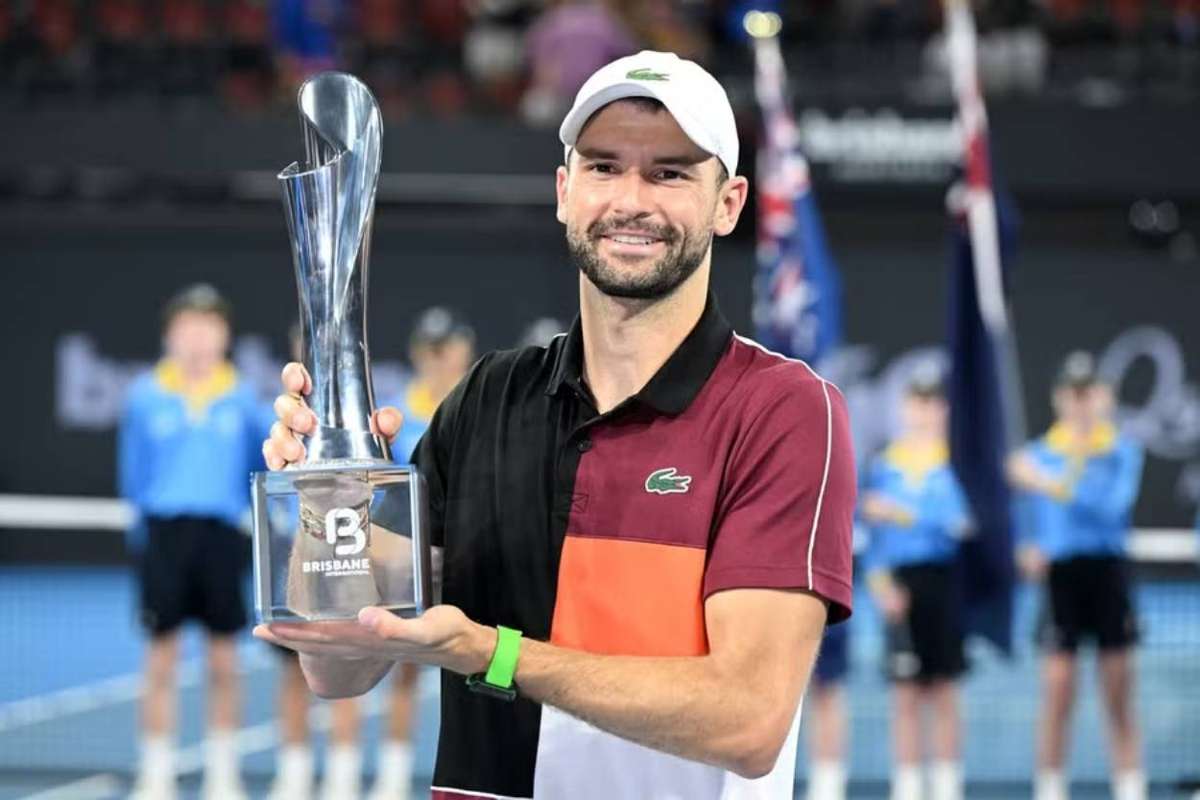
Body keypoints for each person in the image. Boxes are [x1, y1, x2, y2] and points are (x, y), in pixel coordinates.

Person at [260, 50, 856, 800]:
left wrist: (494, 654)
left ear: (729, 203)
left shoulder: (779, 410)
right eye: (604, 167)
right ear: (565, 190)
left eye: (669, 173)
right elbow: (338, 666)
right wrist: (326, 495)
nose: (631, 199)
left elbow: (748, 721)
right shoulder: (487, 398)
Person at [119, 284, 267, 800]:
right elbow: (133, 472)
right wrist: (140, 531)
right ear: (170, 334)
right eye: (189, 325)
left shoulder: (243, 397)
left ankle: (222, 773)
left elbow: (258, 468)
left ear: (224, 335)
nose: (199, 336)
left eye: (210, 326)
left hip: (221, 536)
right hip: (164, 535)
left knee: (224, 659)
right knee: (160, 658)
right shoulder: (144, 395)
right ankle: (156, 771)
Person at [1008, 351, 1146, 800]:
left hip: (1107, 574)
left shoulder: (1122, 450)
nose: (1080, 403)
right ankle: (1050, 789)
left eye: (1088, 394)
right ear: (1059, 399)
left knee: (1118, 694)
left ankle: (1130, 788)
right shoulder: (1036, 454)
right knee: (1057, 693)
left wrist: (1044, 482)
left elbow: (1111, 507)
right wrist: (1026, 545)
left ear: (1103, 398)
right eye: (1072, 394)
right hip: (1060, 579)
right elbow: (1023, 522)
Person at [368, 308, 477, 800]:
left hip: (474, 553)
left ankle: (484, 776)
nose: (439, 360)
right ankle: (393, 776)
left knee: (484, 666)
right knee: (405, 664)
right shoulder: (395, 414)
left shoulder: (481, 406)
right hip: (414, 558)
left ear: (463, 350)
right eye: (430, 351)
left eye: (446, 348)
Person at [861, 366, 971, 800]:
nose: (924, 411)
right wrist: (880, 587)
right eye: (916, 402)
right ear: (905, 408)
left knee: (944, 689)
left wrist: (901, 512)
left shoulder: (957, 462)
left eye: (931, 402)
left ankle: (947, 787)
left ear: (942, 408)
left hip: (943, 583)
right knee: (904, 695)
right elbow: (874, 537)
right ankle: (907, 787)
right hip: (899, 587)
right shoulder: (885, 466)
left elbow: (956, 523)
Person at [268, 323, 365, 800]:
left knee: (346, 660)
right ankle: (294, 774)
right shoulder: (278, 417)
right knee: (292, 672)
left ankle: (344, 777)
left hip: (346, 557)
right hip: (296, 562)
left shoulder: (361, 411)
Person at [804, 625, 850, 800]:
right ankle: (821, 777)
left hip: (828, 615)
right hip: (794, 613)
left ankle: (829, 779)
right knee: (816, 700)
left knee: (828, 696)